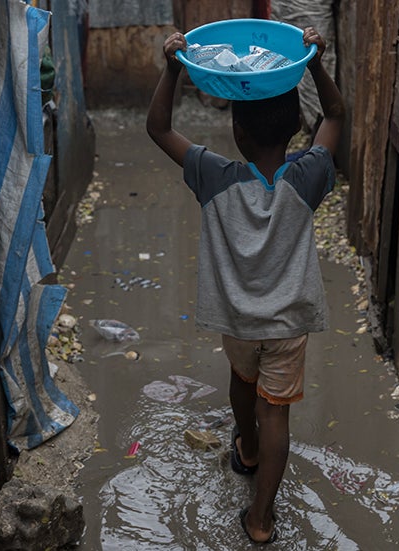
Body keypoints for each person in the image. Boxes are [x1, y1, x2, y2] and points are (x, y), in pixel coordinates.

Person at [147, 26, 345, 545]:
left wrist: (173, 68)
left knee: (241, 378)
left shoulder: (214, 175)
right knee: (275, 409)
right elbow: (338, 116)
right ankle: (261, 520)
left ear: (237, 133)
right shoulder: (308, 176)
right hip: (288, 323)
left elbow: (158, 127)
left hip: (237, 320)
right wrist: (315, 64)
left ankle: (247, 451)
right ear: (296, 128)